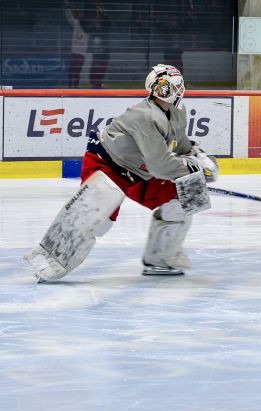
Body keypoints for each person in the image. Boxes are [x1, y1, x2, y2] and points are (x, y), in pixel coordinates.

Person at [25, 64, 218, 282]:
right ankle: (50, 261)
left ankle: (161, 258)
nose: (166, 92)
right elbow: (159, 165)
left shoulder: (178, 112)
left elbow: (179, 144)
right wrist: (189, 171)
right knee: (95, 217)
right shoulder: (144, 116)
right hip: (107, 164)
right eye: (161, 87)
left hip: (138, 172)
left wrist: (195, 157)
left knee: (184, 198)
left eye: (170, 86)